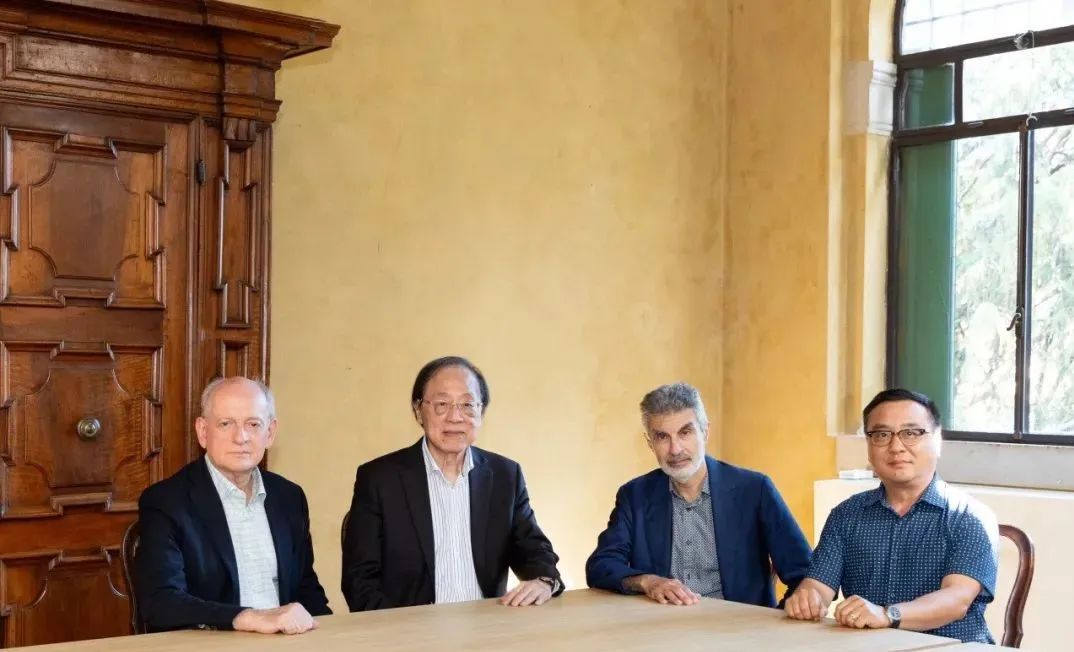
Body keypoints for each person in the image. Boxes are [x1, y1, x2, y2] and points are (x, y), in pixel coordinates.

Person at [342, 356, 564, 611]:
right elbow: (359, 582)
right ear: (418, 410)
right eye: (442, 404)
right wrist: (403, 629)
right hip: (409, 629)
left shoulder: (505, 475)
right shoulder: (379, 479)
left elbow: (532, 548)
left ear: (481, 412)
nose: (455, 417)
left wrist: (544, 581)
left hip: (487, 625)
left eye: (468, 404)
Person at [784, 388, 999, 644]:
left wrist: (887, 615)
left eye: (911, 433)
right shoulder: (846, 515)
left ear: (938, 440)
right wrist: (807, 598)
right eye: (882, 435)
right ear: (868, 445)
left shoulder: (970, 517)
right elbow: (819, 586)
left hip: (951, 647)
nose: (896, 447)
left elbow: (956, 600)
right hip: (865, 646)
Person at [586, 382, 811, 607]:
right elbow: (600, 566)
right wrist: (648, 582)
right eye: (662, 437)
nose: (675, 449)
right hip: (661, 625)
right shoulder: (634, 496)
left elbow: (806, 574)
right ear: (650, 443)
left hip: (738, 626)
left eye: (685, 433)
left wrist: (773, 621)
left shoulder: (755, 489)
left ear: (705, 432)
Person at [135, 377, 330, 634]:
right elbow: (161, 602)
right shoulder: (166, 502)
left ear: (270, 432)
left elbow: (306, 589)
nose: (241, 437)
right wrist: (246, 618)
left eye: (253, 424)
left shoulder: (289, 497)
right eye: (226, 424)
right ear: (203, 432)